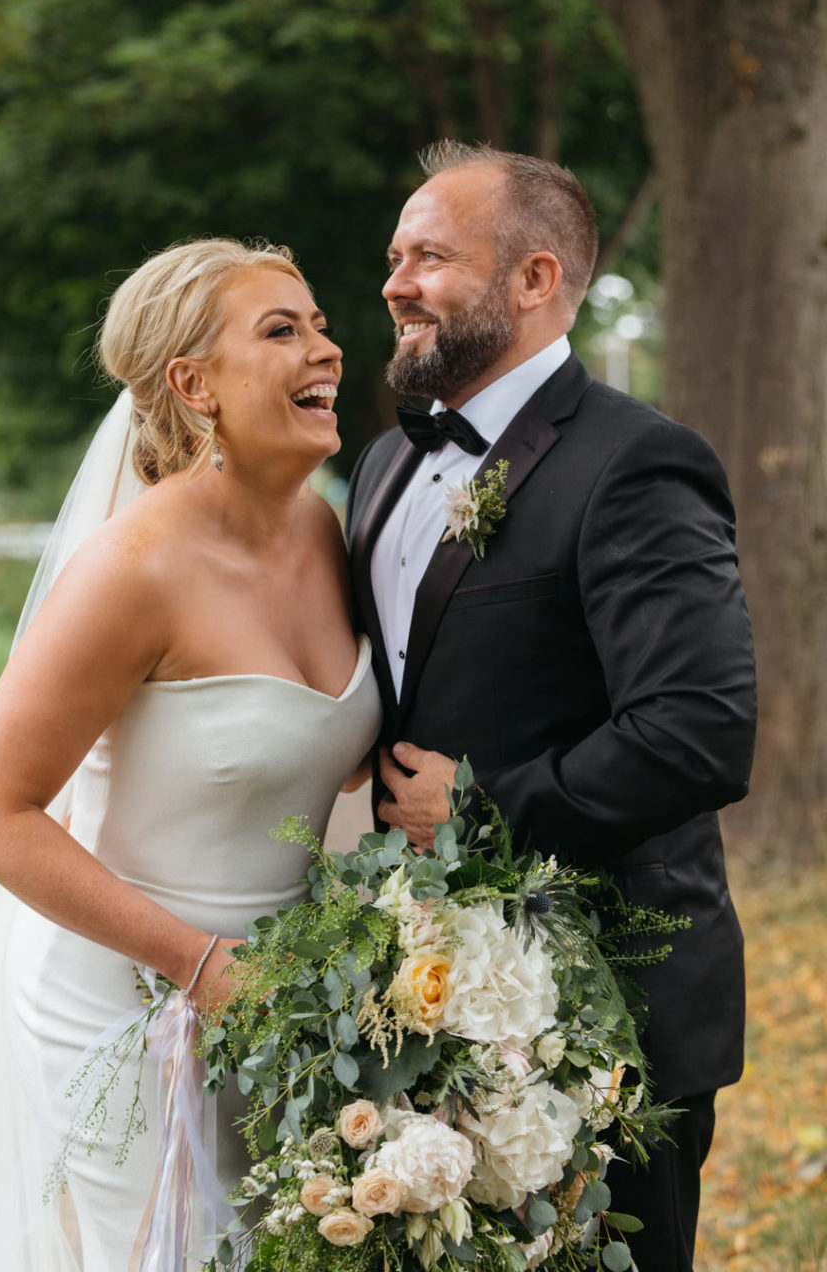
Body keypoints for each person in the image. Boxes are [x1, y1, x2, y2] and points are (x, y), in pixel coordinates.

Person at [345, 142, 757, 1272]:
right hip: (412, 1007)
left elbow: (697, 731)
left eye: (430, 255)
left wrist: (477, 811)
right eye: (394, 255)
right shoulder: (381, 466)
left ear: (533, 281)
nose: (394, 281)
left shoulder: (639, 464)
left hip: (608, 1006)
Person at [0, 238, 381, 1272]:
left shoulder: (323, 533)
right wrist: (197, 963)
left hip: (293, 999)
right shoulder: (134, 570)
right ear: (195, 386)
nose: (325, 350)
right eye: (281, 331)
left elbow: (308, 751)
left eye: (318, 323)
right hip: (130, 1012)